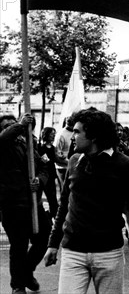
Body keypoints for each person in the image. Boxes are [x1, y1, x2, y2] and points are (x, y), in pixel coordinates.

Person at [43, 108, 129, 293]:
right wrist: (53, 244)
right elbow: (64, 206)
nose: (72, 137)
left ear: (94, 136)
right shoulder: (74, 161)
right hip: (72, 252)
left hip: (109, 254)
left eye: (77, 132)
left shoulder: (125, 165)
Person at [0, 114, 51, 294]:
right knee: (19, 246)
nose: (13, 128)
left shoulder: (27, 145)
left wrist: (40, 181)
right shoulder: (3, 146)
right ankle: (18, 285)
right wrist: (19, 125)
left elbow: (44, 167)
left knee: (44, 237)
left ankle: (27, 273)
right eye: (7, 126)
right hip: (13, 206)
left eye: (14, 125)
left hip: (33, 204)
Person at [38, 126, 60, 219]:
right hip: (43, 173)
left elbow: (53, 159)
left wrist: (60, 158)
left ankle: (54, 215)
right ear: (46, 135)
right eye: (51, 134)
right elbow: (44, 160)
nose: (53, 136)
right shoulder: (40, 147)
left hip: (51, 173)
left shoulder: (53, 148)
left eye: (54, 134)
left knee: (52, 197)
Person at [54, 116, 75, 187]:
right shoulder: (61, 135)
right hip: (63, 168)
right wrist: (70, 162)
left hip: (72, 166)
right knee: (65, 189)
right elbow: (57, 154)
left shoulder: (74, 132)